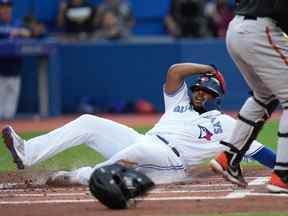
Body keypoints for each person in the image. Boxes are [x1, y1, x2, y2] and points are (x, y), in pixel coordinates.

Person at [2, 63, 276, 186]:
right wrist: (208, 68)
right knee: (89, 122)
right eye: (197, 89)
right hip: (144, 139)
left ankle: (83, 177)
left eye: (207, 92)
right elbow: (174, 71)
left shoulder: (225, 125)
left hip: (171, 162)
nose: (199, 93)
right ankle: (29, 152)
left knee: (136, 154)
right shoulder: (178, 102)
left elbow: (260, 151)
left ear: (217, 98)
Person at [209, 0, 288, 193]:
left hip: (237, 28)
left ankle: (229, 158)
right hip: (261, 29)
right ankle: (283, 176)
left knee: (263, 96)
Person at [0, 0, 32, 119]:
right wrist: (10, 32)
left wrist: (19, 32)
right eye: (2, 7)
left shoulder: (17, 23)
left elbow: (29, 32)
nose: (5, 10)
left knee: (9, 113)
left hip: (15, 71)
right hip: (0, 72)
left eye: (8, 7)